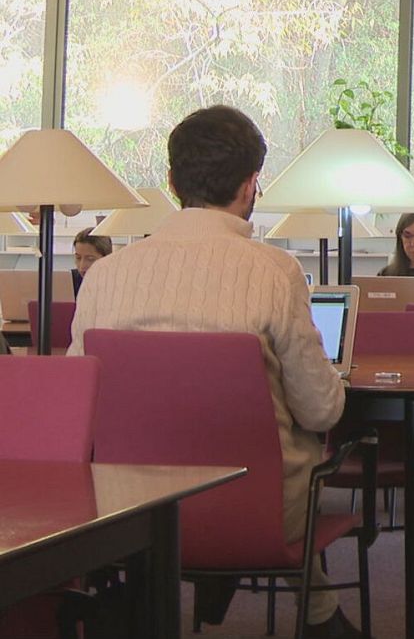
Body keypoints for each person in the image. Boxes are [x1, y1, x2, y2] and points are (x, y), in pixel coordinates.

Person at [68, 106, 360, 638]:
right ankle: (319, 617)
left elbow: (77, 411)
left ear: (173, 180)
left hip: (125, 514)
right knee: (292, 447)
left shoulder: (103, 277)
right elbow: (321, 408)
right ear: (252, 185)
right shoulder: (275, 273)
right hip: (258, 510)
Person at [71, 228, 112, 295]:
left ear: (107, 258)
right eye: (78, 258)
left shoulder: (117, 285)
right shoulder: (70, 282)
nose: (82, 266)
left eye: (90, 259)